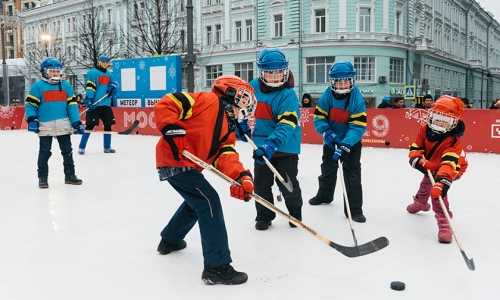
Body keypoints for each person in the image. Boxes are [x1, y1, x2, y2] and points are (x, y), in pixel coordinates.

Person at [154, 75, 256, 285]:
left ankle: (170, 240)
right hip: (175, 158)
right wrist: (172, 129)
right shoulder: (207, 101)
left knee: (196, 202)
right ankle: (216, 267)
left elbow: (226, 156)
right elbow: (168, 103)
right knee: (208, 200)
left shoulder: (228, 129)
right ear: (231, 93)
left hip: (187, 165)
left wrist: (241, 177)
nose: (246, 107)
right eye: (244, 100)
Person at [250, 48, 303, 230]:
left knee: (287, 183)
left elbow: (286, 125)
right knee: (261, 184)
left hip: (285, 146)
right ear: (262, 72)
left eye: (278, 72)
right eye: (269, 72)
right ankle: (264, 215)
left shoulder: (288, 95)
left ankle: (295, 214)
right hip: (261, 146)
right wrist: (240, 125)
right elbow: (241, 110)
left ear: (285, 70)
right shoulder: (252, 88)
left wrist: (272, 144)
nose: (274, 77)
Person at [309, 60, 368, 223]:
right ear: (332, 81)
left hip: (351, 143)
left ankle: (354, 209)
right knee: (327, 169)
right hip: (331, 140)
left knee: (352, 174)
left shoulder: (357, 98)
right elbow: (319, 117)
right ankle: (324, 195)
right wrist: (327, 133)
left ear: (352, 80)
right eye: (338, 81)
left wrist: (346, 143)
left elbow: (358, 126)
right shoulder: (327, 95)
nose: (342, 84)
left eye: (345, 81)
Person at [406, 95, 468, 243]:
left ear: (454, 122)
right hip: (432, 163)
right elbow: (416, 145)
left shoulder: (453, 141)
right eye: (437, 116)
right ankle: (421, 202)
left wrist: (442, 182)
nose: (440, 122)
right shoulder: (425, 129)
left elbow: (448, 163)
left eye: (445, 120)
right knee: (427, 181)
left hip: (451, 166)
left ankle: (444, 223)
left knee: (438, 193)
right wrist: (414, 155)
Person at [24, 57, 84, 188]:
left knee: (67, 151)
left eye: (57, 71)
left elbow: (72, 106)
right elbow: (30, 105)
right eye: (52, 71)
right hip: (45, 124)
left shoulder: (66, 86)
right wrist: (32, 118)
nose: (55, 74)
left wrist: (76, 122)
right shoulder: (37, 87)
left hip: (63, 123)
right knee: (45, 152)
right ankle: (42, 178)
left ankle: (70, 176)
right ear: (44, 72)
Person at [78, 54, 119, 154]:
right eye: (103, 62)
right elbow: (90, 87)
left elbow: (113, 84)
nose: (105, 64)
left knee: (108, 125)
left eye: (107, 62)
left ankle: (107, 147)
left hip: (106, 104)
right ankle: (81, 147)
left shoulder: (109, 74)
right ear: (99, 62)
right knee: (90, 126)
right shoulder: (92, 73)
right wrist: (90, 98)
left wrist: (113, 88)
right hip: (94, 104)